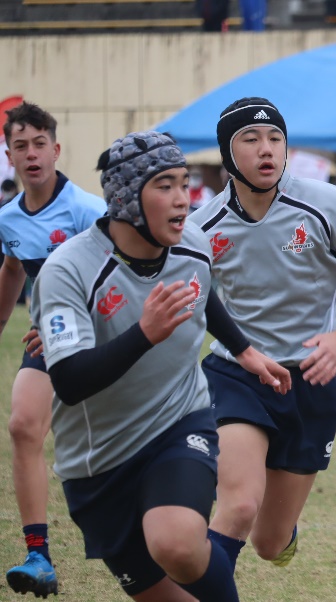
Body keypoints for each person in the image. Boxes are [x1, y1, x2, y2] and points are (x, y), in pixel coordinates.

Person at [30, 130, 289, 601]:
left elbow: (202, 292)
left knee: (177, 543)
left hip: (178, 422)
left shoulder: (193, 244)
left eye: (184, 183)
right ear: (126, 199)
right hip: (97, 461)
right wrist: (144, 334)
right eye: (164, 186)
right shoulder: (68, 271)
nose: (182, 199)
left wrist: (245, 351)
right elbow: (68, 381)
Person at [188, 97, 336, 575]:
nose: (267, 149)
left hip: (311, 382)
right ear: (227, 153)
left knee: (269, 542)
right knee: (239, 506)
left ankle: (282, 530)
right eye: (251, 139)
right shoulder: (202, 227)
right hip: (237, 375)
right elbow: (183, 295)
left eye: (275, 138)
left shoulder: (328, 204)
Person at [0, 101, 107, 598]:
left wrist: (74, 323)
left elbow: (122, 272)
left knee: (118, 441)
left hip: (107, 333)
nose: (31, 154)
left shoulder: (88, 211)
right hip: (48, 338)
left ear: (56, 149)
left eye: (39, 144)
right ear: (9, 156)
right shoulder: (9, 219)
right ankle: (38, 556)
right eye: (20, 146)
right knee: (24, 426)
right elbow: (12, 268)